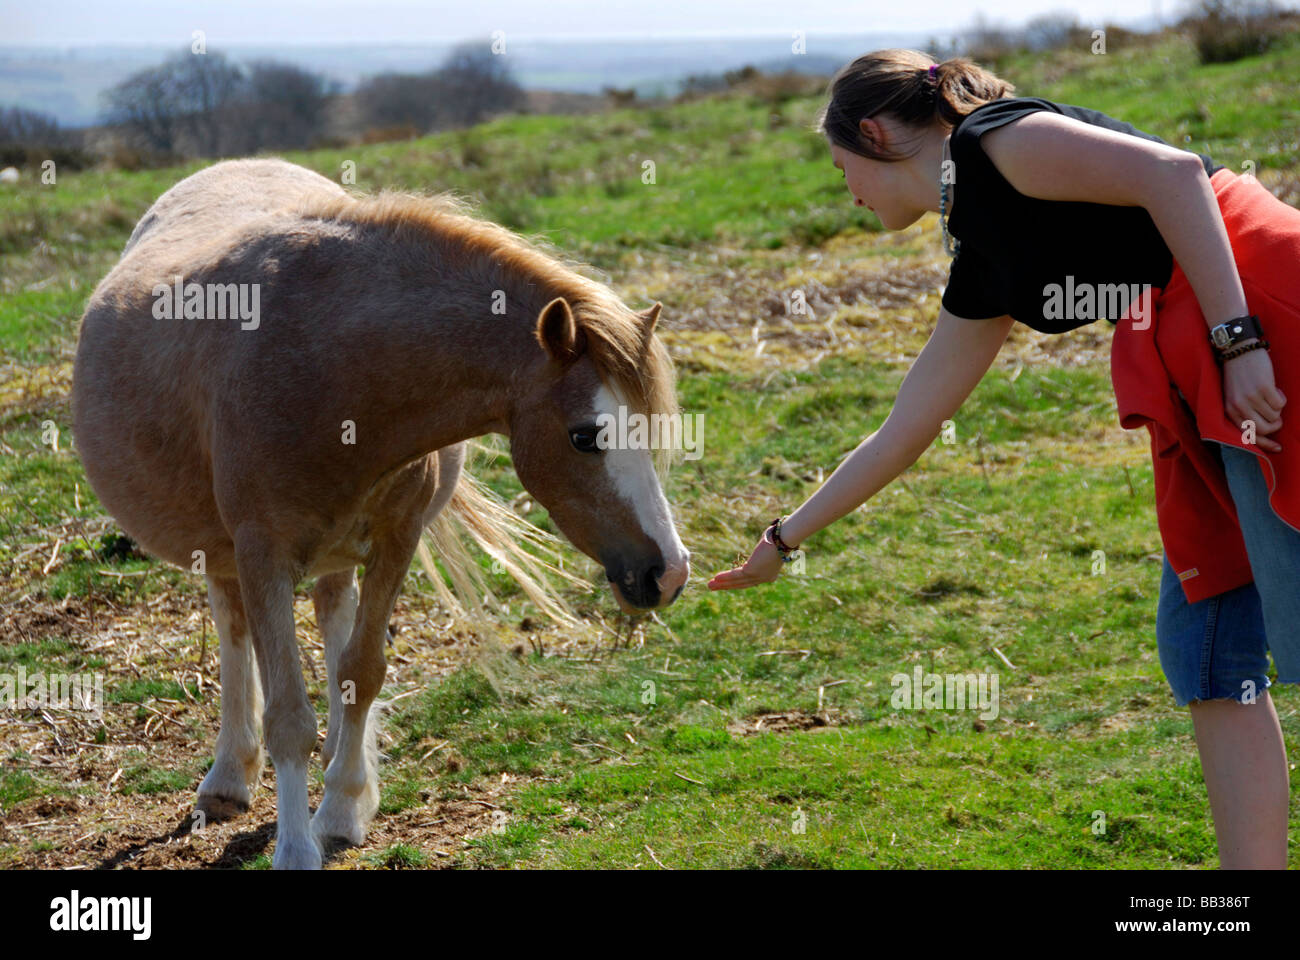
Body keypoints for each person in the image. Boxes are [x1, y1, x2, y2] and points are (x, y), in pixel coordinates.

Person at [707, 48, 1300, 869]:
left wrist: (1240, 343)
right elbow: (903, 429)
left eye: (842, 165)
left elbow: (1174, 174)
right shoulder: (983, 256)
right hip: (1192, 357)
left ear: (875, 133)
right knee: (1205, 649)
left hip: (1260, 311)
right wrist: (781, 542)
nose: (845, 190)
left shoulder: (995, 140)